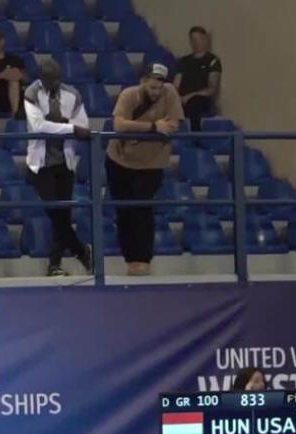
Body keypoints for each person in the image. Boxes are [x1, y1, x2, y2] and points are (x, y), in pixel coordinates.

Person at [107, 63, 183, 276]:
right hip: (119, 160)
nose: (156, 92)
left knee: (143, 210)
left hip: (152, 163)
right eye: (152, 87)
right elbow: (118, 125)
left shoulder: (170, 93)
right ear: (142, 82)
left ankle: (142, 259)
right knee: (124, 211)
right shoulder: (129, 95)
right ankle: (129, 259)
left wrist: (142, 128)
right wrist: (153, 126)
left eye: (159, 87)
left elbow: (173, 125)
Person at [24, 58, 94, 277]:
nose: (53, 83)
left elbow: (84, 125)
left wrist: (70, 127)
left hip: (65, 162)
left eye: (56, 79)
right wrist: (69, 128)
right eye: (48, 80)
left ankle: (54, 264)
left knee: (63, 214)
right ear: (41, 78)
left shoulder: (72, 94)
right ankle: (80, 250)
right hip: (41, 163)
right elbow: (39, 126)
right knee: (56, 213)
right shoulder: (31, 93)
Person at [173, 26, 222, 132]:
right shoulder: (184, 61)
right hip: (182, 99)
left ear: (205, 39)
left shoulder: (212, 61)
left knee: (195, 103)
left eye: (198, 39)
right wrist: (177, 97)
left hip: (201, 100)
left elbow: (212, 89)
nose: (196, 43)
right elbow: (176, 84)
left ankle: (196, 135)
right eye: (193, 39)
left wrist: (190, 96)